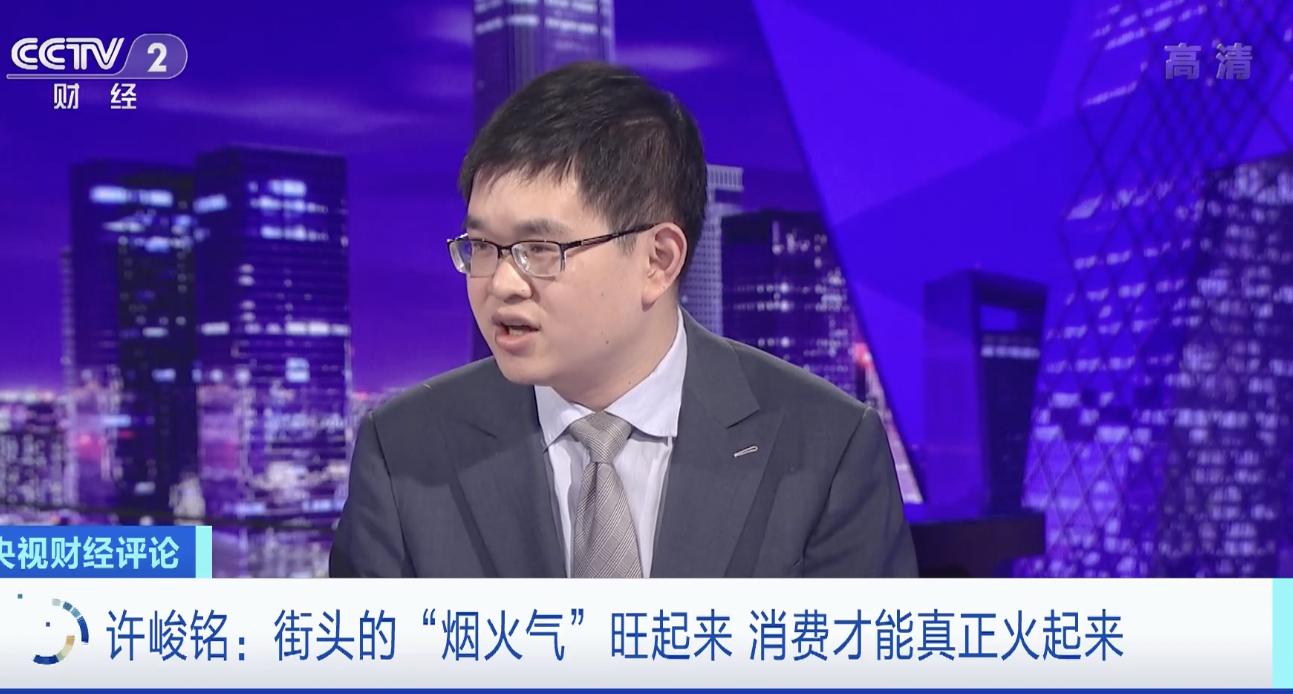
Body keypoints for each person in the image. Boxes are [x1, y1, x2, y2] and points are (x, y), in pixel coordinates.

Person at [329, 61, 917, 579]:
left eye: (540, 249)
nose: (502, 283)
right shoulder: (404, 451)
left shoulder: (827, 448)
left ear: (658, 260)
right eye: (483, 246)